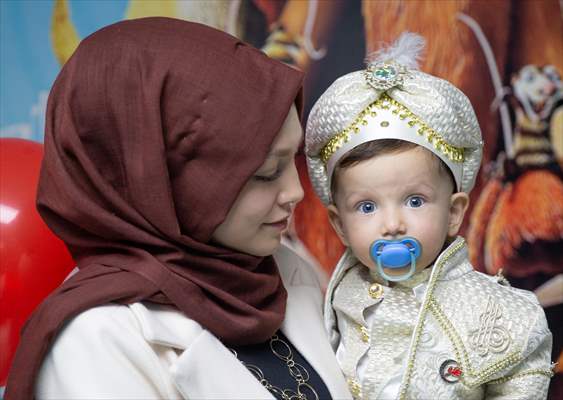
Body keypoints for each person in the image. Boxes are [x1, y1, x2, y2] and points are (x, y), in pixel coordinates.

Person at [5, 17, 352, 400]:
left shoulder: (284, 270)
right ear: (163, 179)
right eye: (267, 173)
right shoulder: (96, 342)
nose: (295, 191)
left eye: (293, 160)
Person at [305, 33, 554, 399]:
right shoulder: (335, 294)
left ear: (454, 212)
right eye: (367, 207)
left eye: (415, 201)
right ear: (339, 224)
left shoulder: (500, 313)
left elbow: (524, 382)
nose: (392, 225)